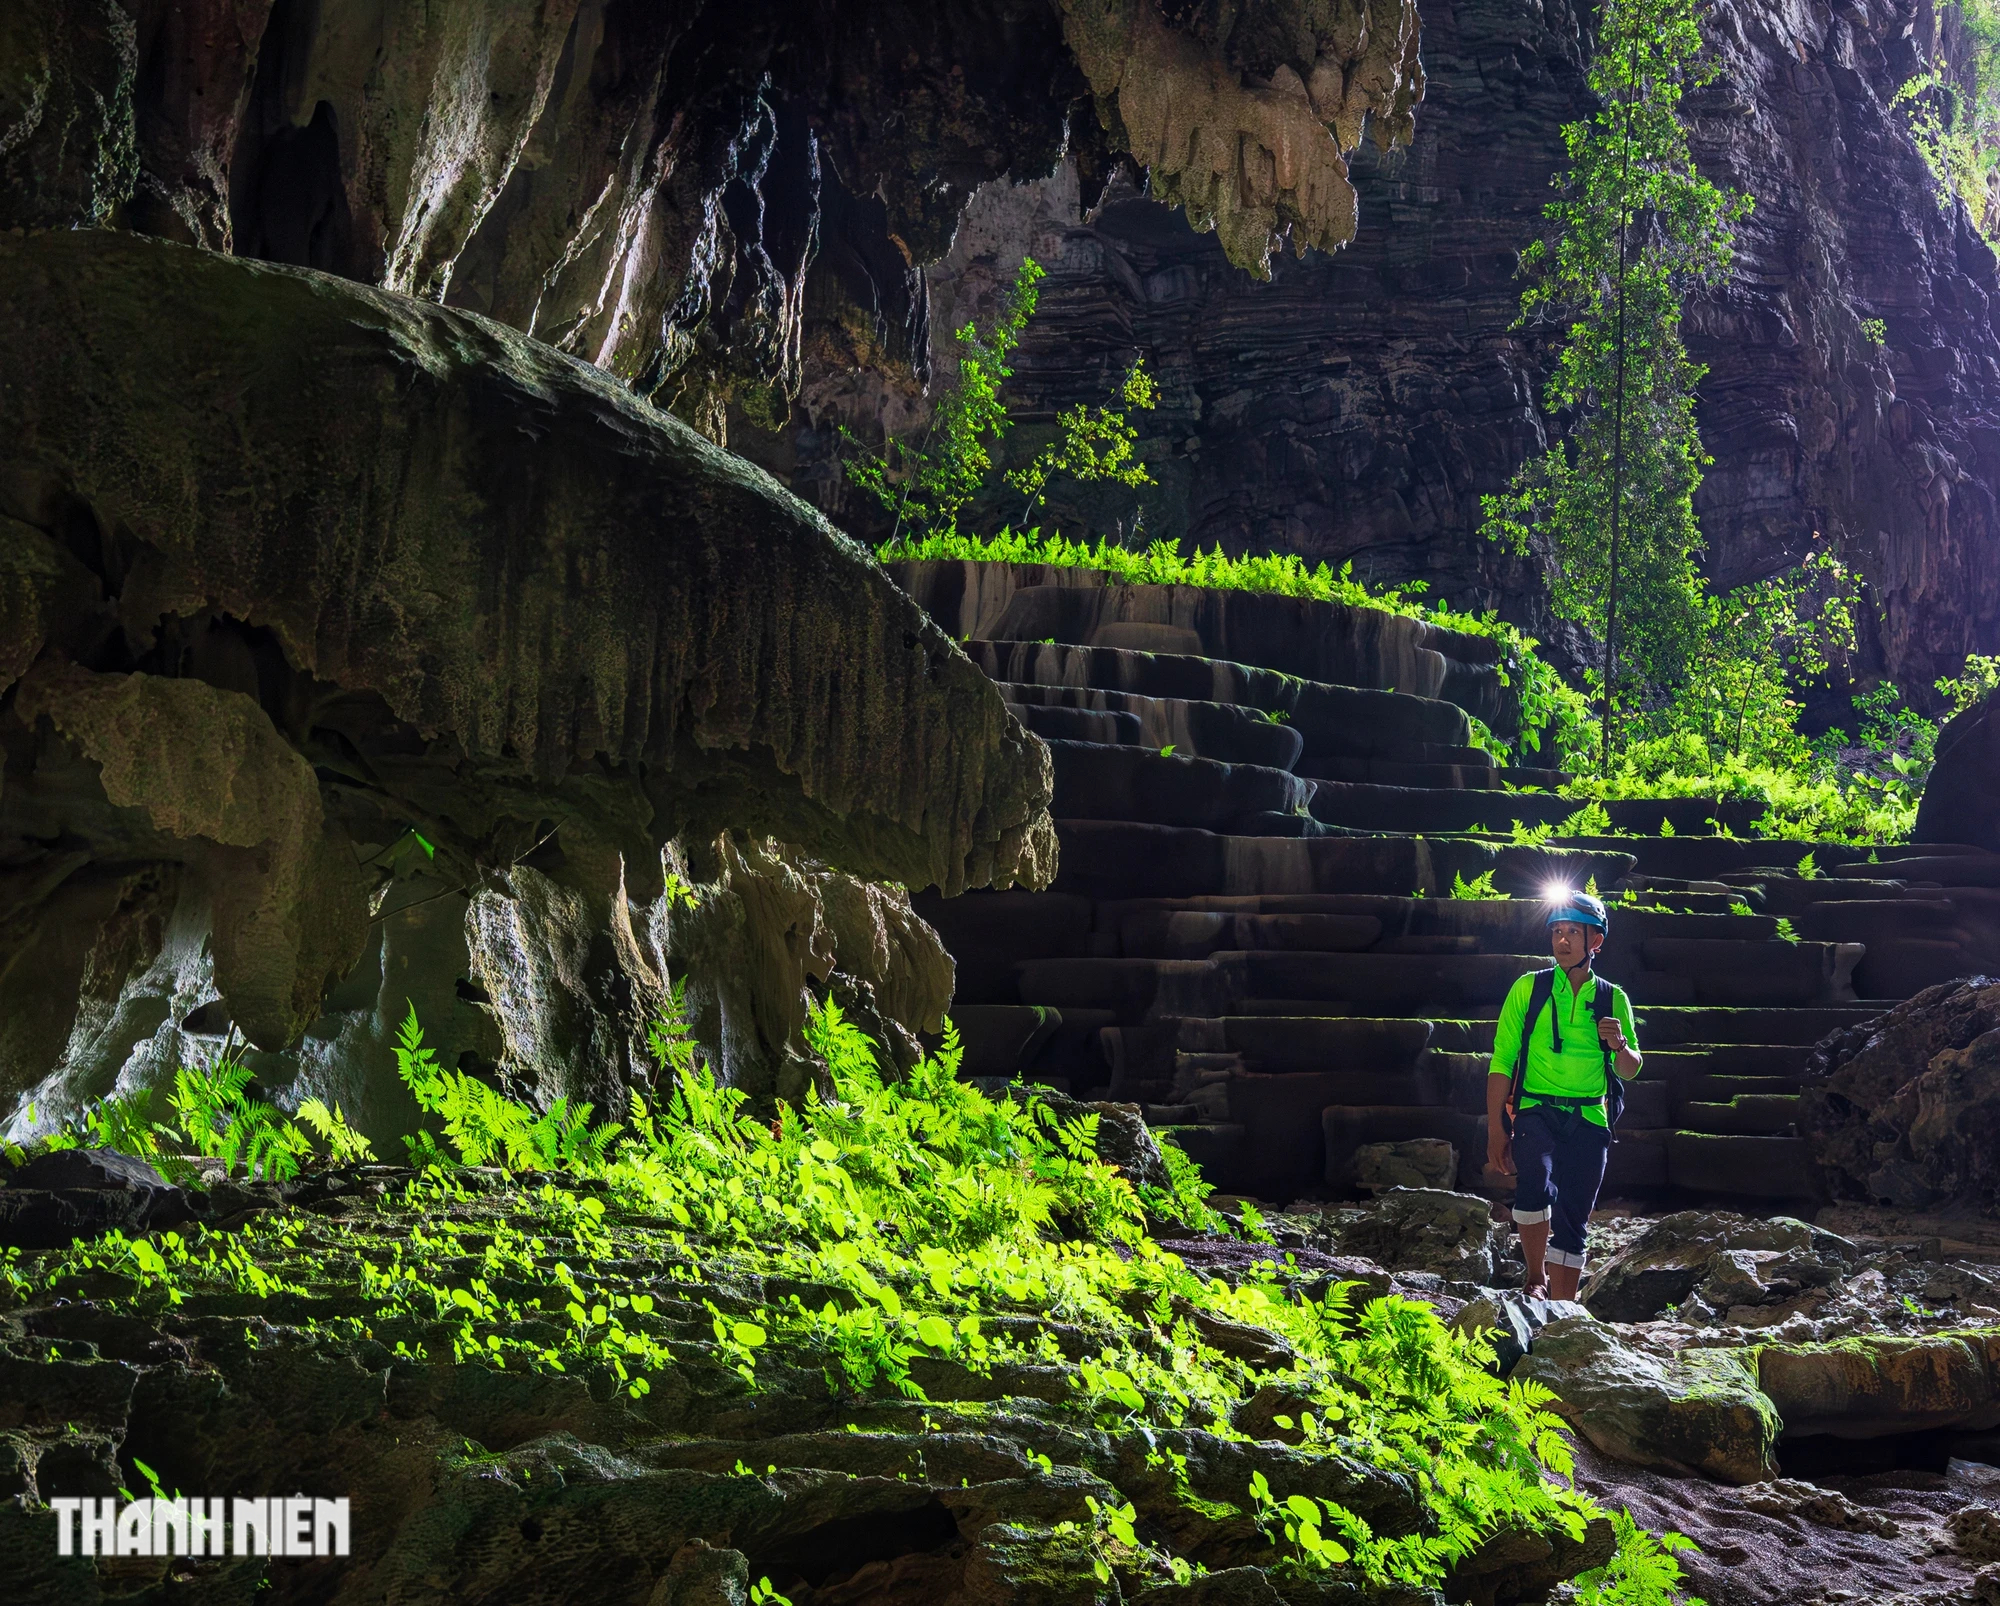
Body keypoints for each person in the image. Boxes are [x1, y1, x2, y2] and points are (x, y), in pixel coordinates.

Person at [1484, 890, 1642, 1300]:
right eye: (1557, 931)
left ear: (1596, 941)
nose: (1563, 940)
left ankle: (1564, 1309)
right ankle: (1536, 1278)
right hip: (1536, 1109)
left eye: (1574, 931)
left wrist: (1620, 1046)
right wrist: (1495, 1130)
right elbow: (1502, 1059)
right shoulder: (1529, 988)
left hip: (1590, 1117)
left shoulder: (1613, 998)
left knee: (1575, 1215)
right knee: (1534, 1183)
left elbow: (1631, 1068)